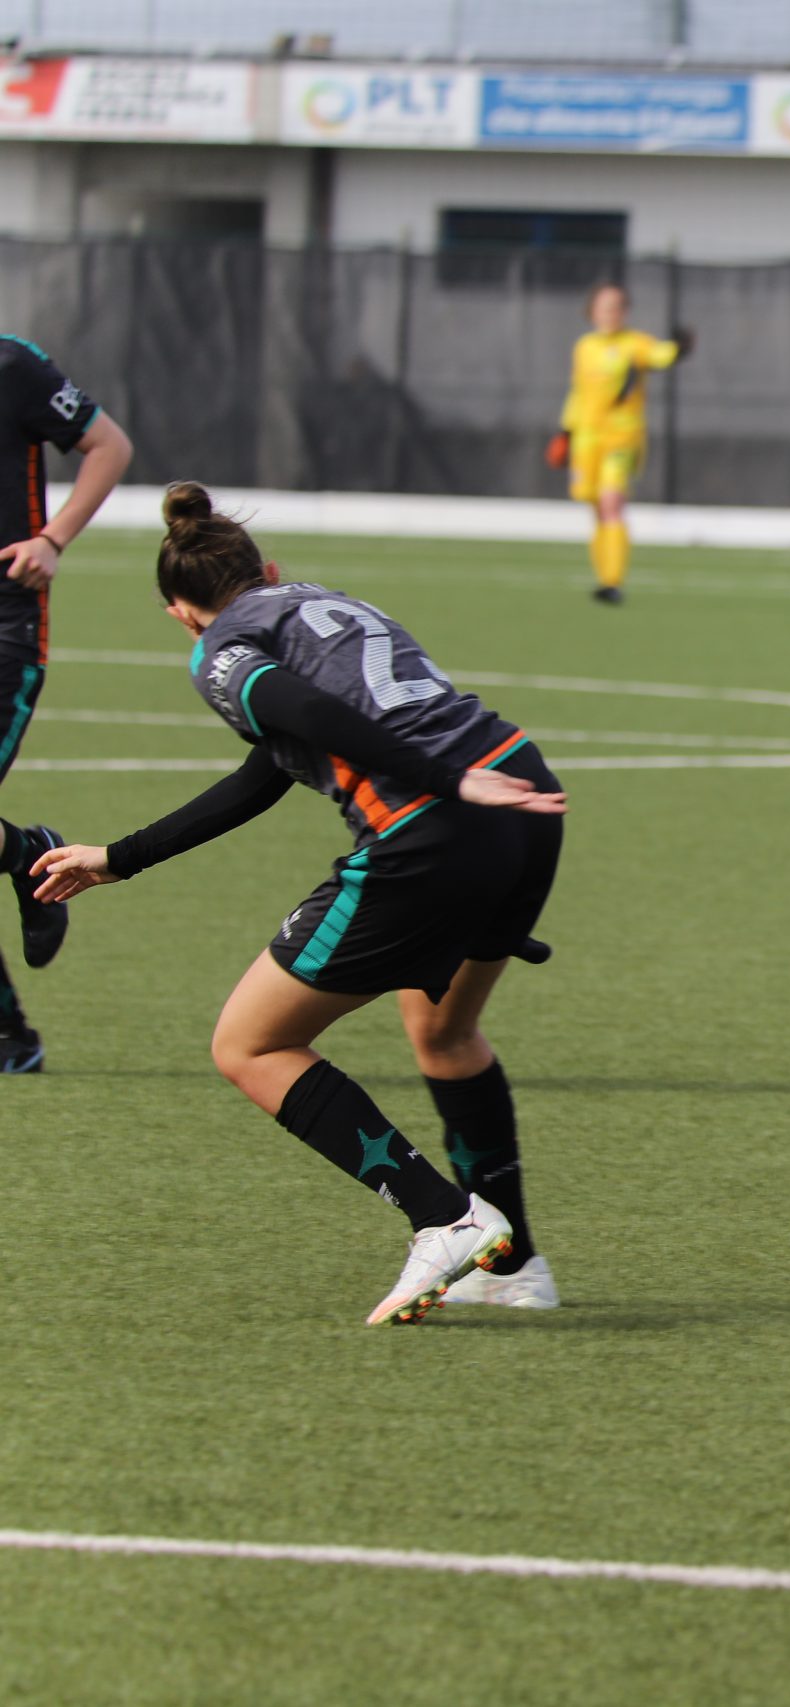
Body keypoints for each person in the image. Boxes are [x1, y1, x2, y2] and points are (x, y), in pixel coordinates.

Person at [32, 484, 572, 1322]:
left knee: (249, 1044)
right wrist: (121, 858)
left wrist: (444, 779)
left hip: (437, 819)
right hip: (524, 792)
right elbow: (268, 771)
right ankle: (514, 1267)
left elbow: (306, 710)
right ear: (269, 570)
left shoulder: (219, 649)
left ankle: (446, 1217)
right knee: (444, 1033)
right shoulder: (320, 603)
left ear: (180, 612)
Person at [0, 334, 134, 1073]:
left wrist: (52, 539)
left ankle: (11, 1037)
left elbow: (110, 444)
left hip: (4, 630)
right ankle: (26, 855)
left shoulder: (12, 365)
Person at [548, 283, 692, 606]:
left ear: (624, 312)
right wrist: (565, 431)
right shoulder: (584, 347)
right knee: (596, 506)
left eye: (616, 307)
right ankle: (603, 577)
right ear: (593, 311)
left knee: (612, 501)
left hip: (622, 437)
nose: (611, 313)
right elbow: (578, 392)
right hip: (587, 439)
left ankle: (613, 582)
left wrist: (679, 349)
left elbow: (659, 355)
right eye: (605, 307)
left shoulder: (634, 344)